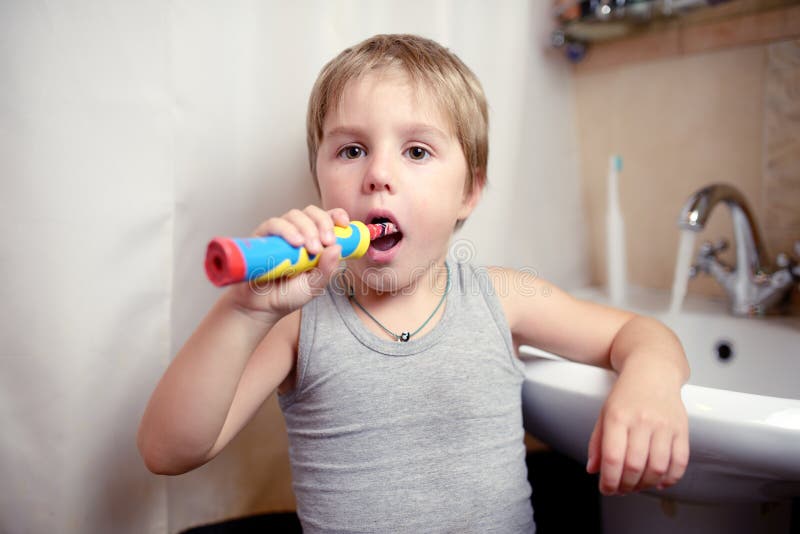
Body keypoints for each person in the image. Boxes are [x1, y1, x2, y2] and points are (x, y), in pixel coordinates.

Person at [137, 34, 689, 533]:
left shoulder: (502, 296)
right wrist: (246, 311)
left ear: (468, 194)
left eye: (417, 151)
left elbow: (641, 334)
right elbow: (168, 450)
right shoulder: (297, 321)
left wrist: (651, 382)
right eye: (351, 150)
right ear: (320, 181)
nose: (377, 174)